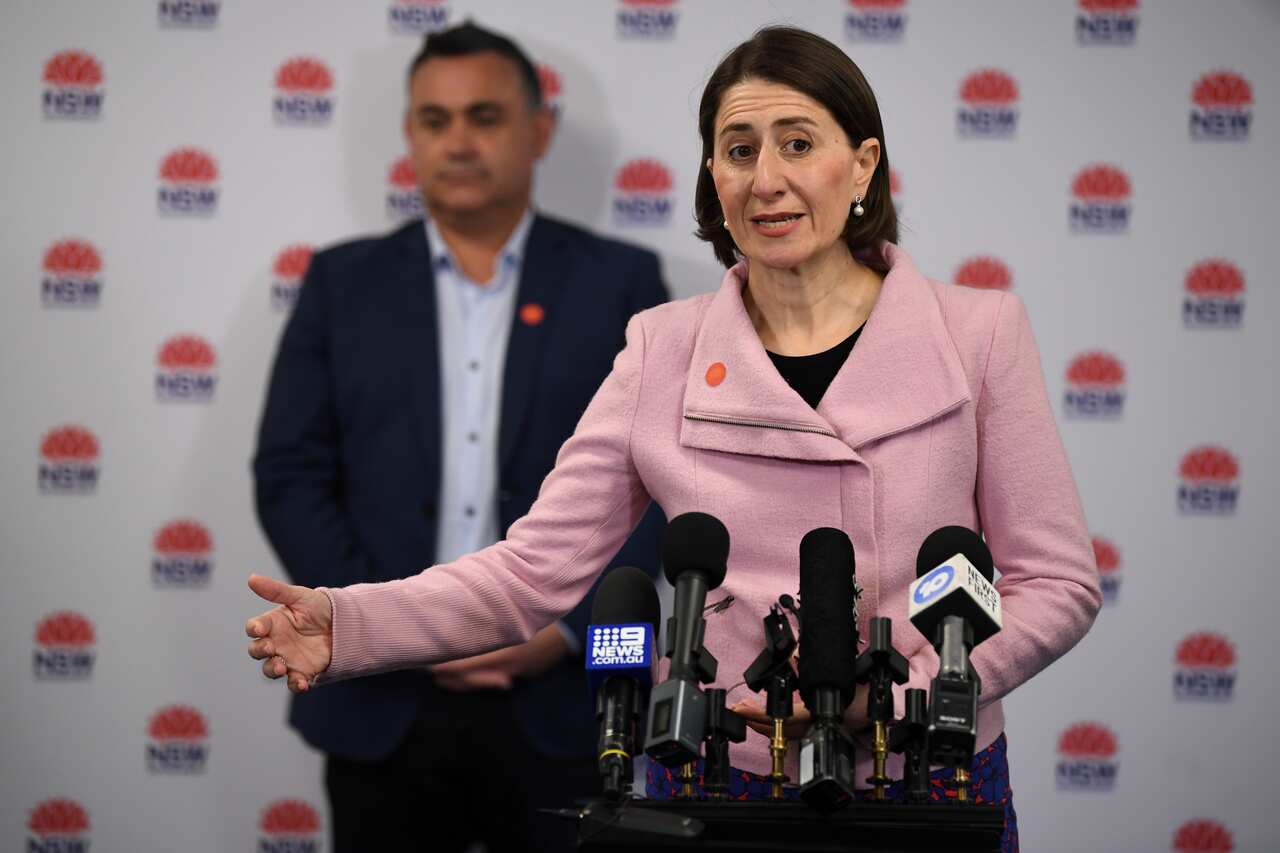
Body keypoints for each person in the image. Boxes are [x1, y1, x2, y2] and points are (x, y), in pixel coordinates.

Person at [247, 26, 1100, 853]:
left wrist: (911, 698)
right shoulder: (663, 347)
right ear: (711, 176)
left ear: (863, 166)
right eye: (738, 149)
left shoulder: (980, 331)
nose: (766, 179)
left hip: (926, 769)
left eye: (799, 144)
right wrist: (351, 623)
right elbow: (531, 571)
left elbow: (1054, 581)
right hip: (713, 775)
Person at [251, 21, 668, 853]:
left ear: (538, 130)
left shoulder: (619, 282)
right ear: (408, 135)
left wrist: (564, 629)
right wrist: (384, 624)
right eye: (435, 121)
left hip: (559, 705)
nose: (459, 141)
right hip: (381, 705)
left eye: (485, 116)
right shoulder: (343, 282)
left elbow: (655, 481)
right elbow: (291, 473)